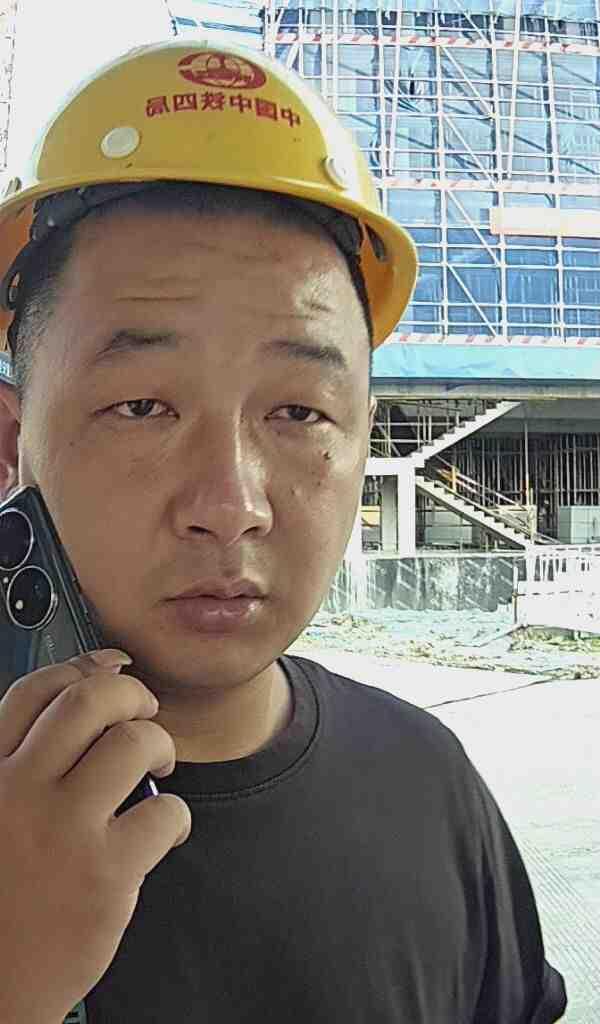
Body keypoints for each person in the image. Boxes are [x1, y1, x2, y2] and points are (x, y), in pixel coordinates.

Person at [0, 40, 567, 1024]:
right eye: (142, 406)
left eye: (299, 411)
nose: (232, 503)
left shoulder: (429, 782)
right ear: (14, 442)